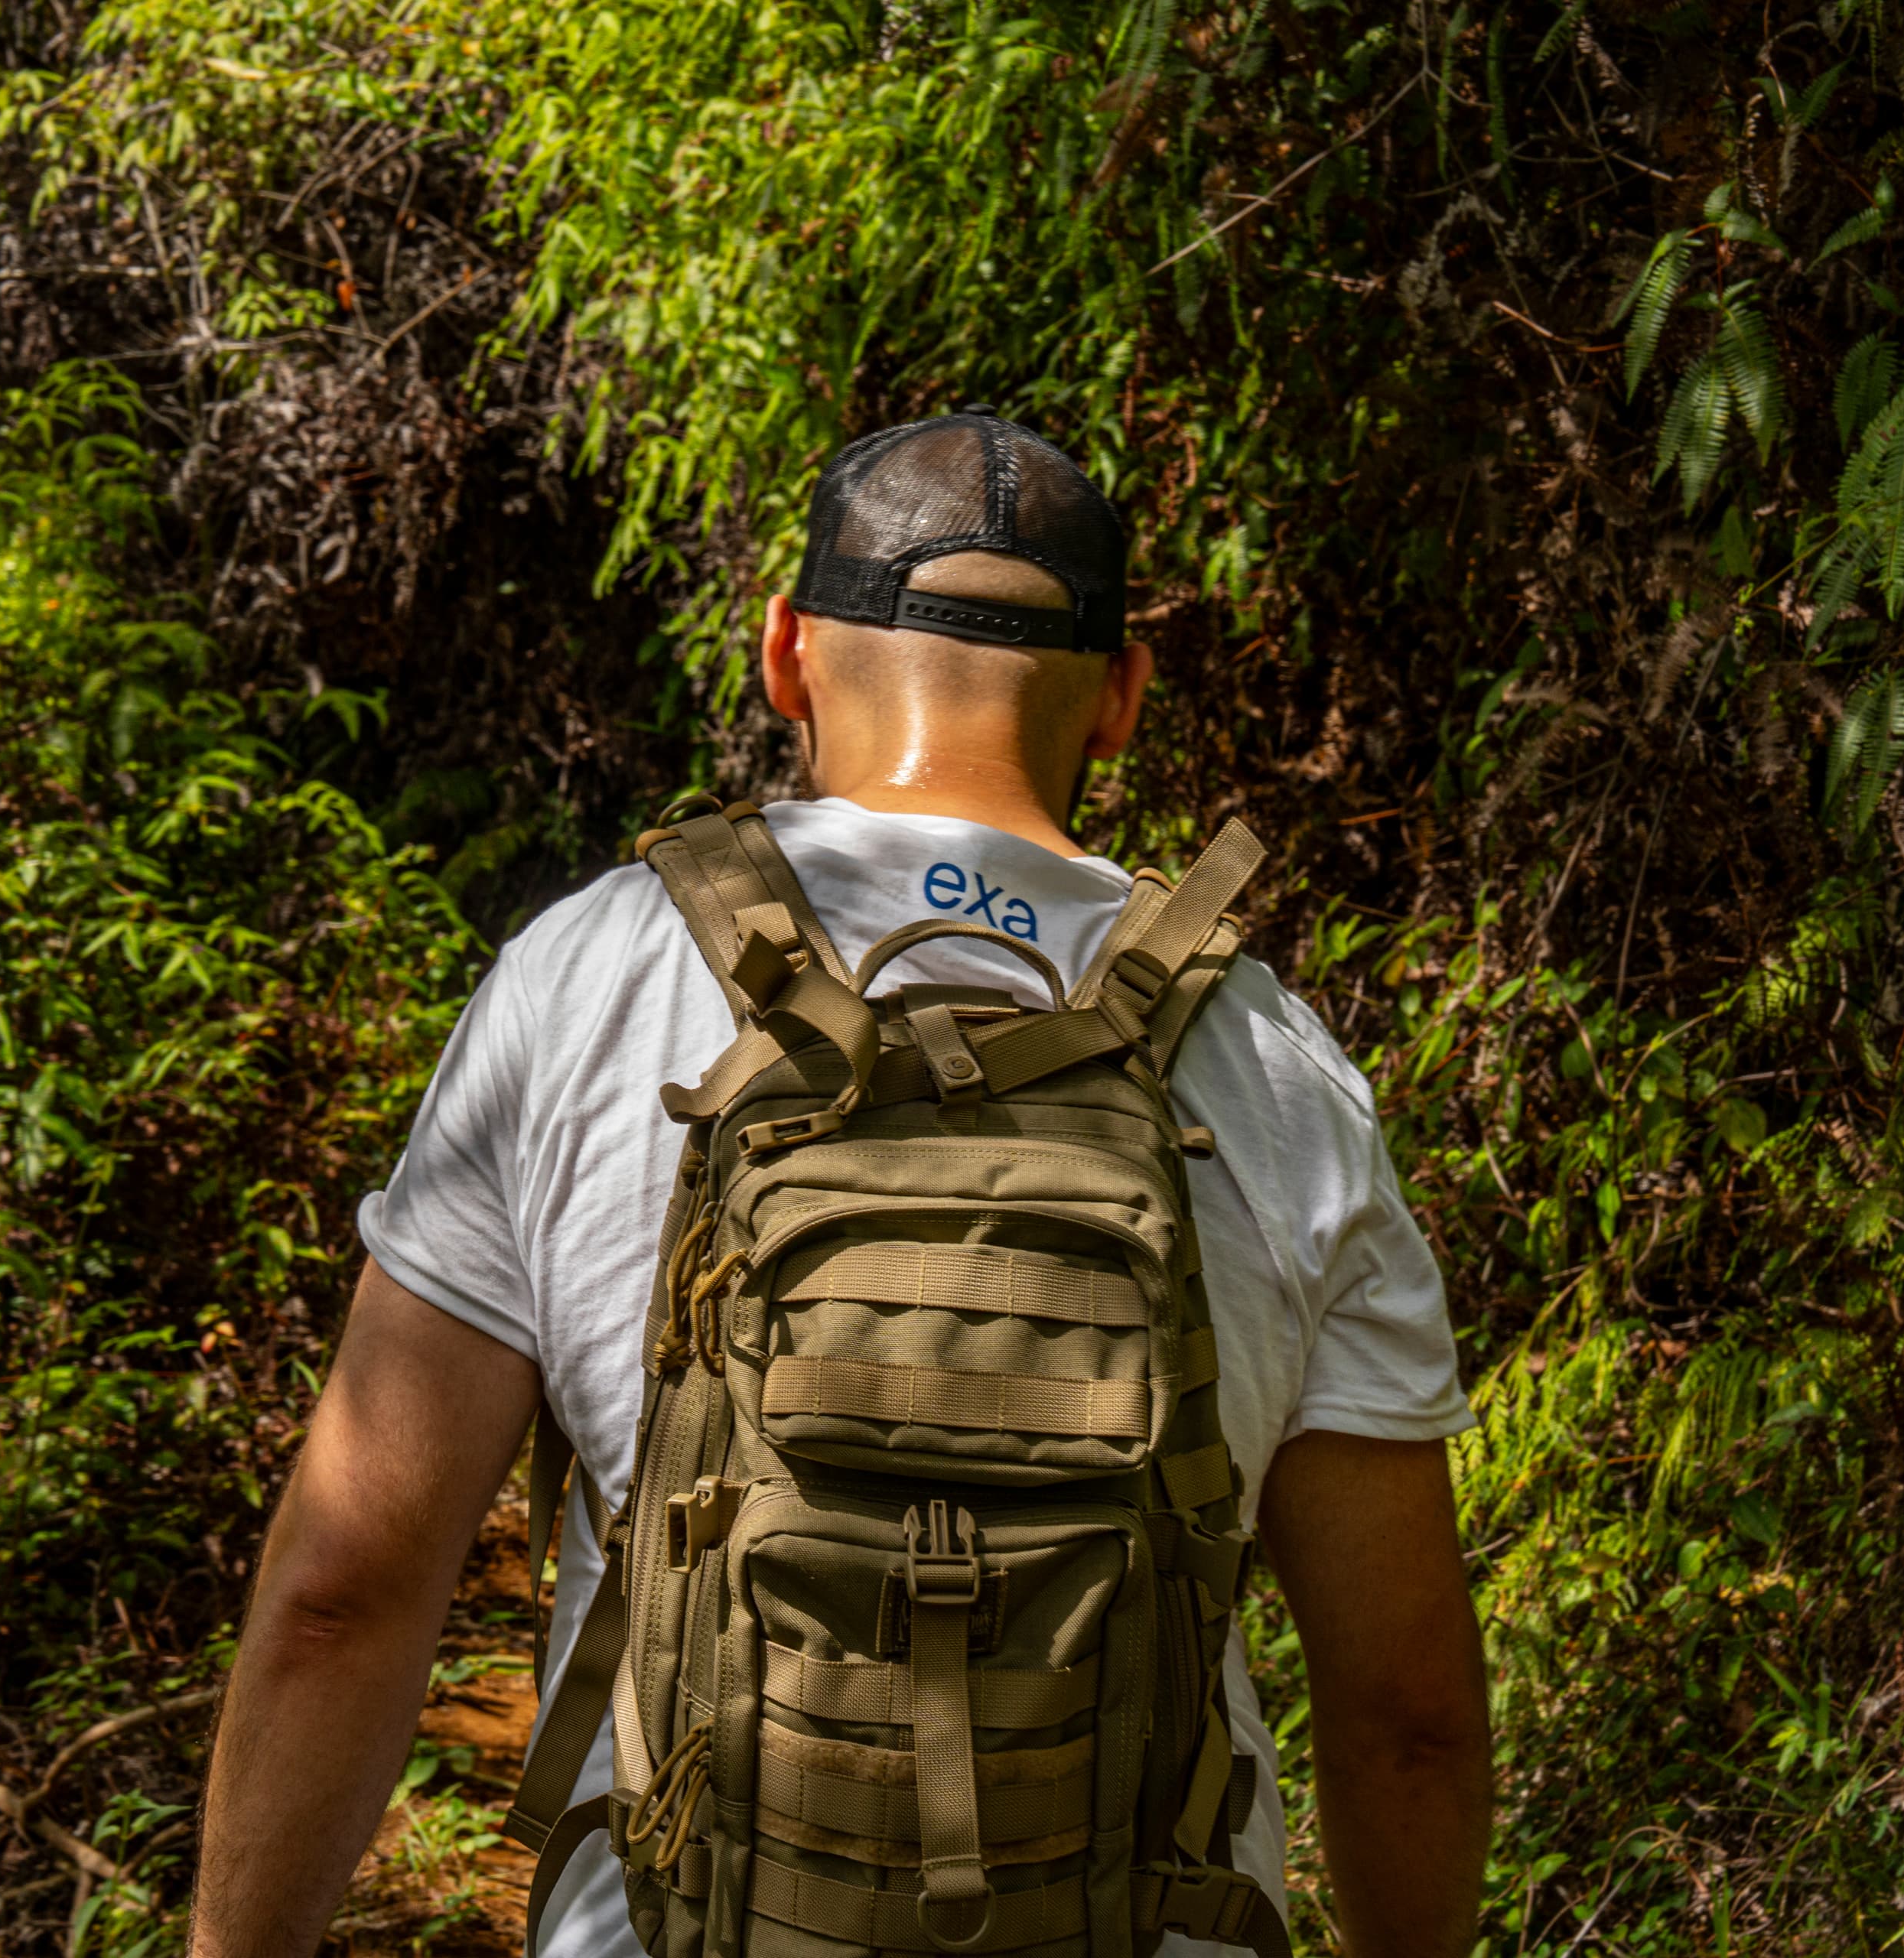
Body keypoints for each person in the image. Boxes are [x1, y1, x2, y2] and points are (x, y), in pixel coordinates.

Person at [187, 413, 1492, 1958]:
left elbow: (347, 1590)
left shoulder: (588, 976)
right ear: (1122, 697)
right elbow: (1405, 1713)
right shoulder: (1279, 1069)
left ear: (785, 655)